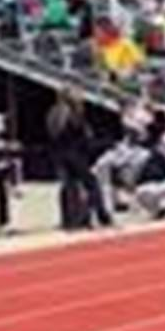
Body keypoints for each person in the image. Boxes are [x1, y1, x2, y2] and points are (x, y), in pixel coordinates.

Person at [48, 87, 110, 230]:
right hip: (76, 154)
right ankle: (94, 215)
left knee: (68, 187)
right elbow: (84, 135)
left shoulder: (53, 114)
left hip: (60, 154)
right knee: (92, 185)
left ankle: (69, 220)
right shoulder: (74, 113)